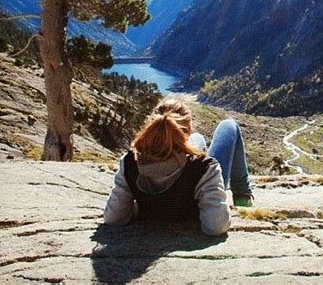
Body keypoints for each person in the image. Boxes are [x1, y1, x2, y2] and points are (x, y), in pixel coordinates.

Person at [103, 98, 253, 236]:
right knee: (228, 125)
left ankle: (192, 143)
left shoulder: (130, 162)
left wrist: (139, 207)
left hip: (159, 204)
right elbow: (216, 226)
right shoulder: (204, 168)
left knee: (198, 139)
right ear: (186, 131)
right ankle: (242, 197)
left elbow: (114, 218)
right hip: (194, 193)